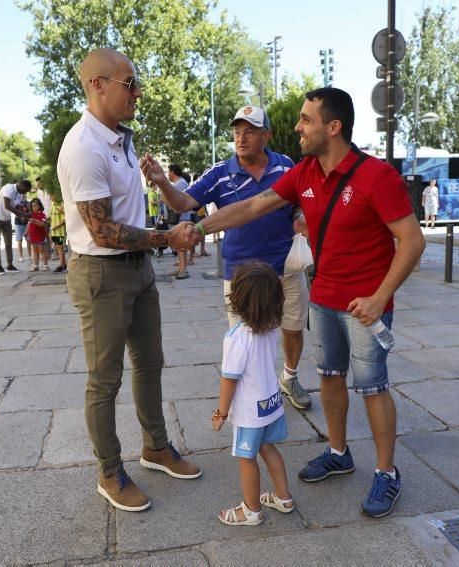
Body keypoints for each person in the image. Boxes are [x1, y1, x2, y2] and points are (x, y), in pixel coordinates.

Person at [171, 87, 425, 518]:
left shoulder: (376, 176)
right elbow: (252, 207)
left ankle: (386, 472)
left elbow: (412, 240)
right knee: (329, 378)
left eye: (306, 119)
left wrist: (381, 298)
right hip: (324, 296)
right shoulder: (305, 172)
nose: (297, 127)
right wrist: (200, 225)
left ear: (334, 126)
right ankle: (338, 451)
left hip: (365, 304)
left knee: (373, 387)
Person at [58, 47, 201, 513]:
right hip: (101, 274)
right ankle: (109, 471)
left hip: (137, 270)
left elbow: (125, 213)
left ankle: (155, 448)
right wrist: (166, 238)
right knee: (104, 380)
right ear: (97, 85)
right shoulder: (84, 147)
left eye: (136, 83)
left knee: (151, 362)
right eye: (129, 83)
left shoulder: (121, 139)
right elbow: (102, 230)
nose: (137, 92)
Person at [142, 105, 313, 411]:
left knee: (293, 327)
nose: (241, 138)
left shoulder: (287, 167)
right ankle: (249, 392)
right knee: (242, 337)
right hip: (240, 272)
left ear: (267, 135)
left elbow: (301, 201)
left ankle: (289, 376)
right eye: (237, 131)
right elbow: (183, 201)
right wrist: (163, 183)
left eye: (249, 131)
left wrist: (299, 214)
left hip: (287, 265)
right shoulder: (220, 173)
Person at [212, 261, 294, 526]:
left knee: (246, 458)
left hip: (249, 411)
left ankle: (251, 510)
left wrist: (221, 412)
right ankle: (283, 497)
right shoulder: (269, 328)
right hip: (270, 403)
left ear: (237, 298)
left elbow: (229, 379)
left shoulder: (236, 337)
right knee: (268, 448)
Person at [0, 180, 32, 275]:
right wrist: (21, 214)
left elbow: (15, 206)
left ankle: (9, 265)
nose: (25, 192)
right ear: (20, 185)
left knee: (8, 242)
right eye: (25, 190)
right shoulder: (9, 188)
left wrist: (26, 214)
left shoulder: (18, 193)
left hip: (6, 218)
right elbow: (7, 205)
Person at [168, 164, 191, 279]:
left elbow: (177, 201)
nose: (168, 174)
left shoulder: (180, 184)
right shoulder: (180, 183)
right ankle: (180, 268)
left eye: (168, 172)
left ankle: (183, 270)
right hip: (180, 217)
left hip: (181, 218)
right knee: (178, 244)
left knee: (181, 244)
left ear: (173, 172)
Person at [26, 198, 49, 272]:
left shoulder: (42, 214)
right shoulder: (31, 214)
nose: (34, 207)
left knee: (41, 249)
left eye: (35, 206)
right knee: (35, 250)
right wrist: (27, 232)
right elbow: (29, 224)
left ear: (39, 206)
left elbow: (42, 224)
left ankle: (45, 265)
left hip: (40, 234)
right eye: (32, 206)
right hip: (32, 234)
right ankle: (36, 265)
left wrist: (35, 221)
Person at [49, 197, 68, 273]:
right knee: (57, 248)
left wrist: (56, 226)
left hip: (60, 232)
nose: (50, 196)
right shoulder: (52, 204)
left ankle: (62, 266)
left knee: (60, 248)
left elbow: (65, 219)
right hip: (53, 231)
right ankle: (63, 264)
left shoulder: (61, 203)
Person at [14, 194, 31, 262]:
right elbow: (15, 212)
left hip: (27, 222)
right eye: (21, 195)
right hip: (18, 222)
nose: (22, 195)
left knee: (28, 239)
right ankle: (21, 256)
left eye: (24, 194)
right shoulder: (16, 204)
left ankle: (30, 255)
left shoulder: (28, 203)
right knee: (19, 239)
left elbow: (30, 212)